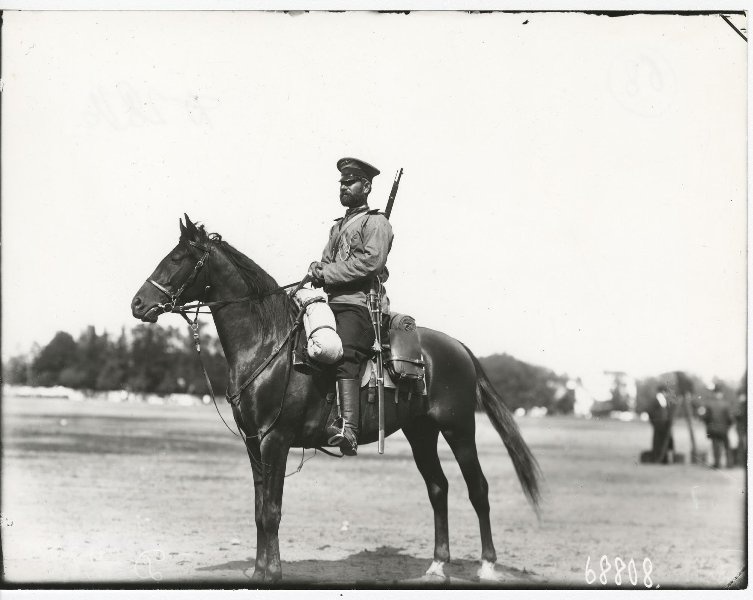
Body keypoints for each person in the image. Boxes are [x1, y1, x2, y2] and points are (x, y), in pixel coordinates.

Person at [307, 157, 394, 456]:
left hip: (359, 306)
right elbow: (329, 261)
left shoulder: (377, 223)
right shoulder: (337, 228)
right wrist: (318, 269)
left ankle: (349, 429)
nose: (343, 187)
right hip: (331, 303)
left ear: (366, 186)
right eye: (341, 183)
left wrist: (327, 272)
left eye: (350, 182)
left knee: (342, 352)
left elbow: (371, 262)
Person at [703, 384, 735, 468]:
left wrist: (708, 425)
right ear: (721, 393)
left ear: (714, 393)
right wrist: (728, 426)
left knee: (715, 446)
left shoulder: (709, 404)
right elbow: (730, 418)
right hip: (724, 429)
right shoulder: (726, 404)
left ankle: (717, 464)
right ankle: (729, 464)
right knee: (727, 446)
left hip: (713, 429)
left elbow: (706, 418)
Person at [648, 384, 675, 464]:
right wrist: (655, 422)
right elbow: (650, 412)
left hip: (664, 425)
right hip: (659, 425)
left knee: (665, 442)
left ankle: (664, 459)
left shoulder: (663, 399)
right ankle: (658, 458)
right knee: (658, 442)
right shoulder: (655, 400)